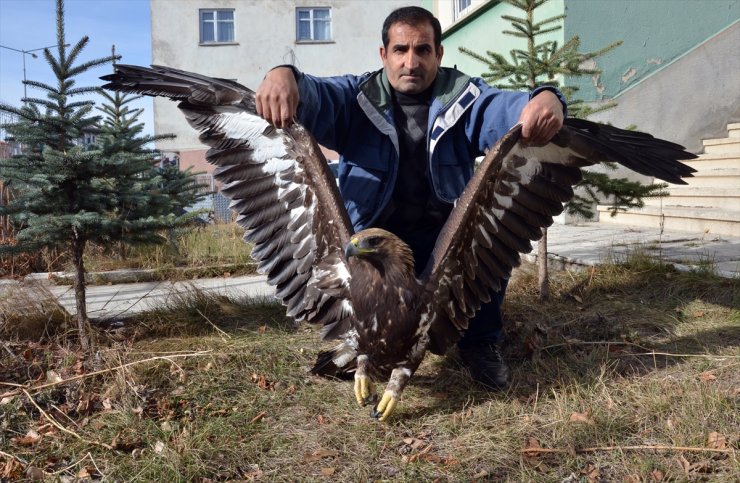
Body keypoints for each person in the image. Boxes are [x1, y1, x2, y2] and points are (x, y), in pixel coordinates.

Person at [255, 6, 565, 389]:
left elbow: (505, 112)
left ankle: (479, 344)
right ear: (383, 55)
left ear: (439, 53)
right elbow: (314, 96)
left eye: (423, 50)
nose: (411, 61)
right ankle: (364, 346)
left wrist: (548, 97)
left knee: (485, 254)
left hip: (438, 232)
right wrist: (283, 75)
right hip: (374, 238)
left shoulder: (463, 99)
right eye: (400, 50)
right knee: (366, 272)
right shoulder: (356, 99)